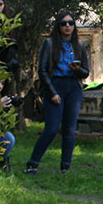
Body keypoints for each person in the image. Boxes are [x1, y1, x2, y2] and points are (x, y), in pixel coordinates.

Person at [24, 11, 89, 175]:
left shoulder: (79, 45)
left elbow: (85, 72)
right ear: (58, 26)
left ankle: (65, 167)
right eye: (63, 23)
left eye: (70, 23)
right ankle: (32, 164)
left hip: (73, 87)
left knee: (70, 130)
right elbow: (43, 70)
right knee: (51, 128)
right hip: (55, 85)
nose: (67, 26)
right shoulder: (50, 43)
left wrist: (77, 69)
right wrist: (52, 92)